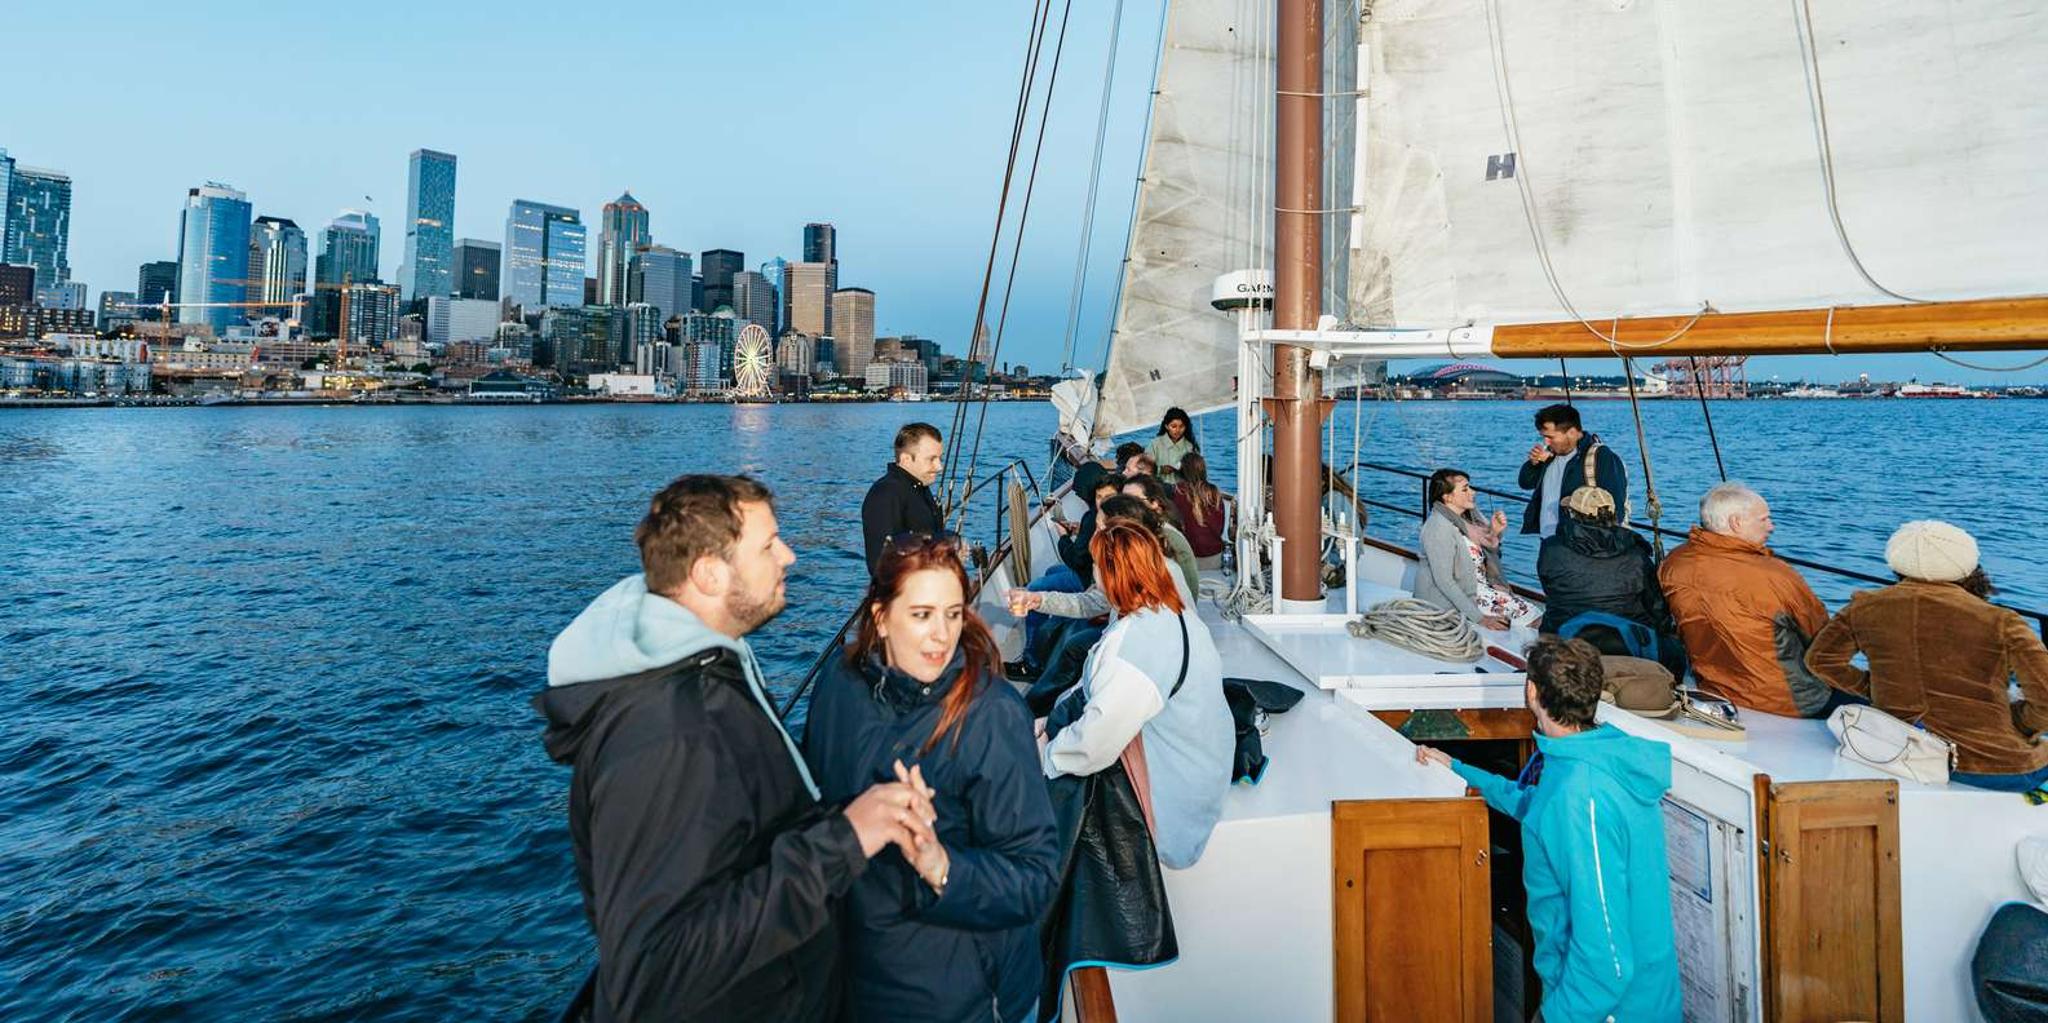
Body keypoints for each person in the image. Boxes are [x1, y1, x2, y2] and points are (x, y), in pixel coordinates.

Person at [537, 475, 939, 1022]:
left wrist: (853, 819)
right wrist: (844, 840)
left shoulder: (706, 675)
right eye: (769, 545)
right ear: (709, 573)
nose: (790, 557)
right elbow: (655, 972)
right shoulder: (669, 730)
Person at [804, 533, 1059, 1023]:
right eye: (922, 615)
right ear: (881, 617)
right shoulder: (838, 685)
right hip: (856, 978)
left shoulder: (990, 716)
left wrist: (941, 865)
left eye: (953, 613)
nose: (942, 636)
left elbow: (1035, 877)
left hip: (960, 996)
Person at [1416, 637, 1682, 1023]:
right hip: (1599, 999)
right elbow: (1531, 803)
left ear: (1532, 692)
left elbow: (1606, 961)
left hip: (1607, 1010)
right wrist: (1457, 768)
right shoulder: (1590, 758)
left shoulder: (1582, 796)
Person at [1042, 521, 1234, 869]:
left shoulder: (1138, 643)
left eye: (1097, 565)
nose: (1094, 574)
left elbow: (1093, 746)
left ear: (1114, 573)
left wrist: (1047, 754)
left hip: (1171, 798)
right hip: (1202, 768)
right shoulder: (1171, 613)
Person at [1806, 520, 2048, 792]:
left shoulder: (1864, 607)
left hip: (1901, 750)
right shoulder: (2001, 620)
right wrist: (2018, 721)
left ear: (1896, 562)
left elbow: (1819, 661)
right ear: (1967, 565)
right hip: (1993, 767)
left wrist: (1877, 688)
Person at [1660, 482, 1834, 717]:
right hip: (1785, 701)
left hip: (1715, 686)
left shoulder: (1674, 562)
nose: (1771, 526)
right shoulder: (1776, 575)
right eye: (1764, 519)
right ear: (1736, 523)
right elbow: (1823, 638)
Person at [1535, 480, 1665, 638]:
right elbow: (1655, 604)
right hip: (1624, 639)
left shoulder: (1551, 548)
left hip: (1565, 635)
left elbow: (1550, 587)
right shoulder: (1636, 553)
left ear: (1572, 513)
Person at [1415, 468, 1535, 631]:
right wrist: (1480, 619)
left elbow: (1489, 558)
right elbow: (1444, 581)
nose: (1473, 492)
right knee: (1534, 618)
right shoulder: (1438, 528)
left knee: (1536, 615)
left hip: (1481, 590)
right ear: (1447, 497)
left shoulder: (1471, 520)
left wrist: (1495, 533)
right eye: (1465, 489)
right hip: (1457, 599)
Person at [1517, 404, 1628, 539]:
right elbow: (1525, 483)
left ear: (1572, 432)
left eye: (1550, 437)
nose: (1545, 442)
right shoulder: (1550, 455)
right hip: (1548, 541)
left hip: (1582, 545)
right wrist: (1533, 464)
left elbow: (1616, 508)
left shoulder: (1601, 457)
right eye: (1543, 437)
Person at [861, 422, 946, 576]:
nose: (939, 467)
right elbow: (881, 563)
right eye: (931, 459)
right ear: (906, 459)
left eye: (940, 458)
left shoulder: (920, 488)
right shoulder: (885, 494)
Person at [1121, 473, 1202, 587]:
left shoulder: (1166, 536)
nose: (1125, 507)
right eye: (1123, 500)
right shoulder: (1143, 529)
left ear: (1154, 503)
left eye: (1133, 501)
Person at [1170, 453, 1230, 572]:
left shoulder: (1178, 492)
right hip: (1214, 555)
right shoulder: (1215, 492)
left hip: (1187, 555)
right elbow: (1220, 527)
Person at [1144, 406, 1199, 487]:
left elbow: (1196, 472)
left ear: (1186, 427)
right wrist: (1160, 469)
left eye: (1181, 426)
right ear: (1166, 426)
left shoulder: (1190, 447)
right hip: (1159, 488)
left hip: (1183, 490)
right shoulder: (1155, 444)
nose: (1178, 430)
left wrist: (1184, 470)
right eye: (1173, 426)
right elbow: (1144, 467)